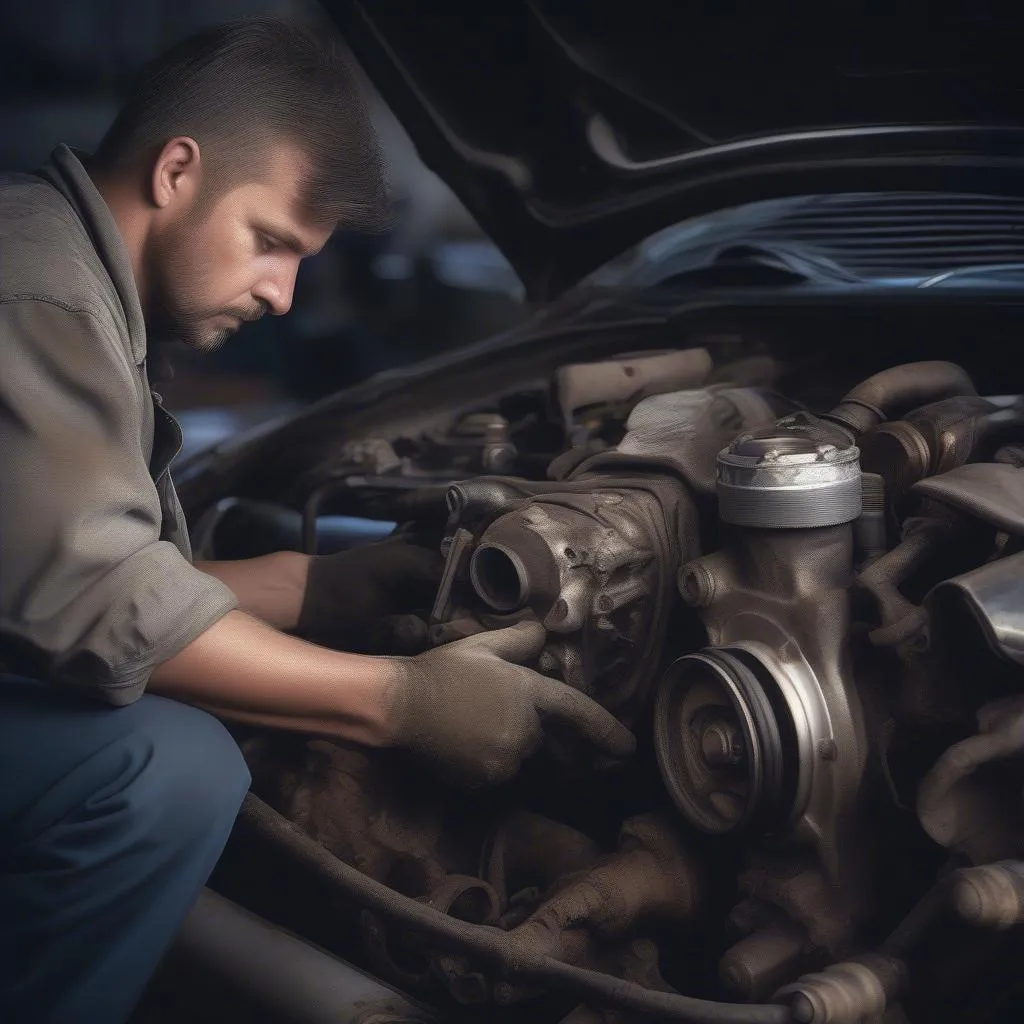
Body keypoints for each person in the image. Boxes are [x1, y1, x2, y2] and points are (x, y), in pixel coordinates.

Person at [0, 17, 635, 1024]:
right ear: (176, 170)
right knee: (170, 766)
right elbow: (104, 609)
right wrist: (401, 702)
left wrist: (321, 584)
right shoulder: (39, 291)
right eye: (269, 242)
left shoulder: (60, 267)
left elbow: (66, 580)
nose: (282, 294)